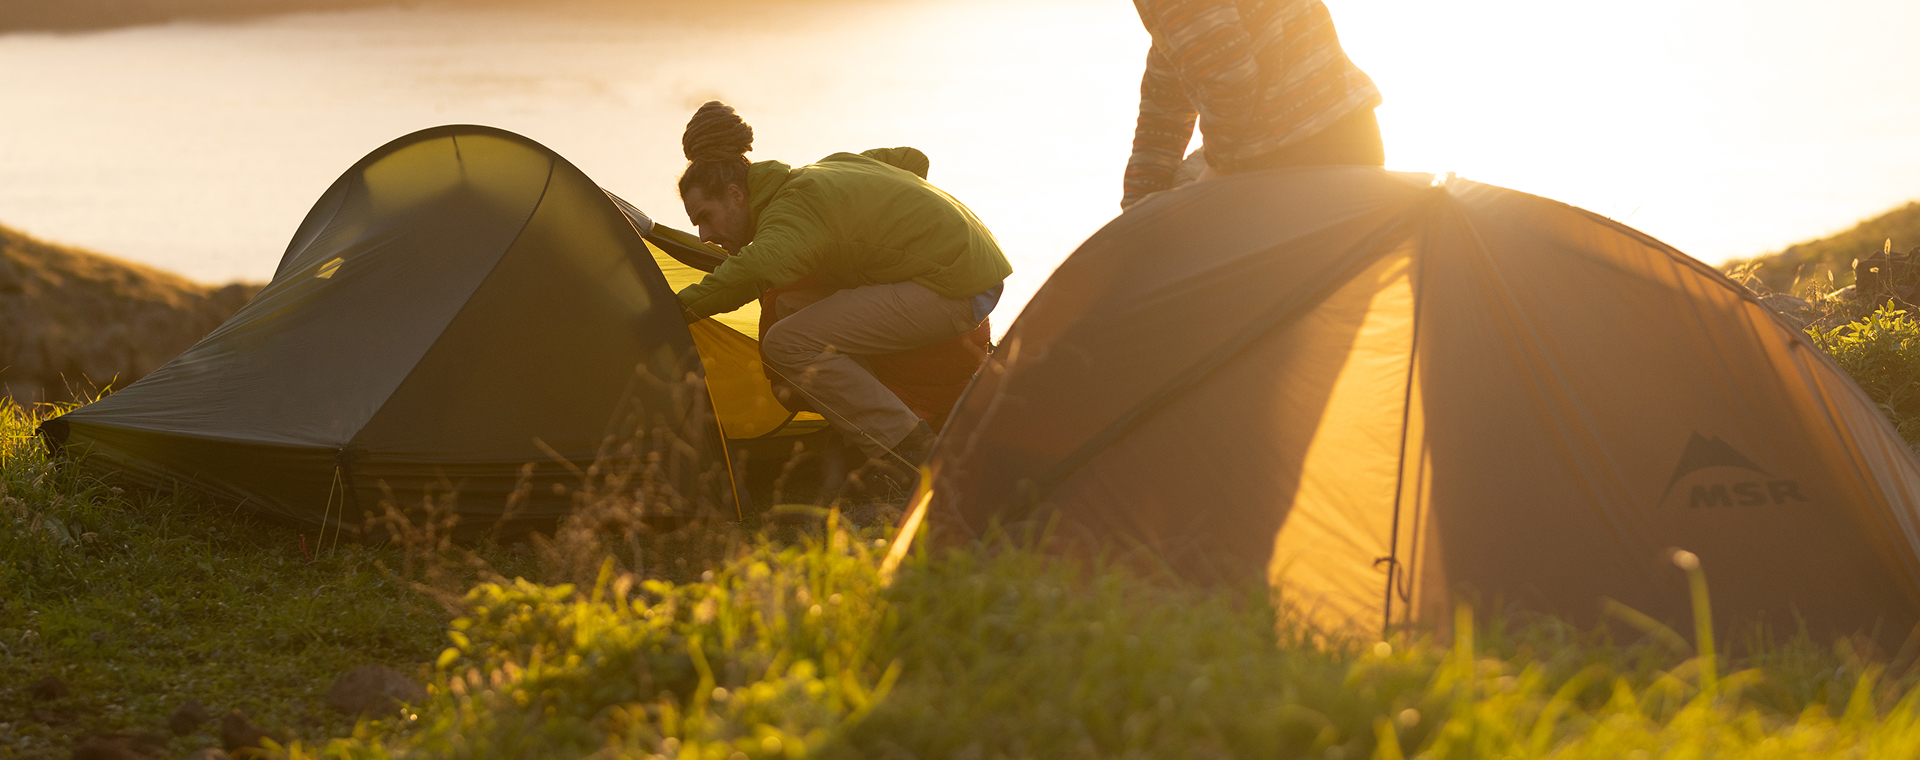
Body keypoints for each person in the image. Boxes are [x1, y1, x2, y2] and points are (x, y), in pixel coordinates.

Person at [673, 101, 1012, 474]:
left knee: (786, 344)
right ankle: (870, 427)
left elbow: (750, 270)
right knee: (788, 308)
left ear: (736, 195)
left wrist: (674, 311)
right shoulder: (821, 173)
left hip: (955, 285)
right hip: (972, 268)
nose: (704, 236)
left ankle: (909, 452)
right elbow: (911, 160)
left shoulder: (790, 212)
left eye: (705, 217)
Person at [1122, 0, 1385, 210]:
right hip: (1350, 132)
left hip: (1296, 155)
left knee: (1183, 215)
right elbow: (1164, 110)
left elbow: (1230, 80)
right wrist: (1135, 213)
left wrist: (1213, 173)